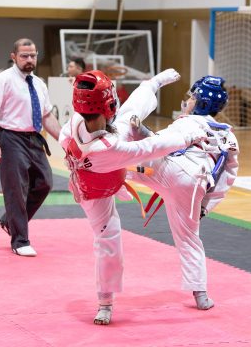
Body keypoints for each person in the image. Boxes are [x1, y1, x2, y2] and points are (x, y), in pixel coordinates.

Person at [59, 68, 209, 325]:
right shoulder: (106, 148)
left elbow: (127, 115)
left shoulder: (75, 120)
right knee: (108, 237)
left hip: (102, 169)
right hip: (93, 191)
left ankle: (152, 83)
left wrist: (154, 83)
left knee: (128, 118)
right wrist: (186, 138)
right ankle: (105, 302)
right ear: (107, 104)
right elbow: (149, 147)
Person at [127, 75, 239, 313]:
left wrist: (141, 131)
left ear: (198, 101)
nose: (186, 100)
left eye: (190, 97)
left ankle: (103, 174)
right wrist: (205, 206)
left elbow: (164, 143)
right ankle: (201, 295)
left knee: (120, 163)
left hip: (173, 170)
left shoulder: (189, 122)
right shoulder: (229, 135)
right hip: (196, 185)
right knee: (189, 238)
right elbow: (227, 176)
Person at [0, 38, 61, 257]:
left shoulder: (39, 83)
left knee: (44, 183)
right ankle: (20, 240)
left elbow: (47, 116)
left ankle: (9, 221)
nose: (29, 59)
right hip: (10, 138)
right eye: (24, 56)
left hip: (34, 139)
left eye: (33, 55)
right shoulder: (3, 80)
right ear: (13, 56)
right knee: (16, 189)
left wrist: (65, 139)